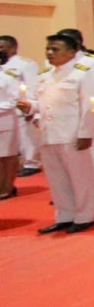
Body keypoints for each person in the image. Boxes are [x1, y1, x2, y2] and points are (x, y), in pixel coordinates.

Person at [21, 35, 94, 231]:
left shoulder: (82, 73)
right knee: (56, 178)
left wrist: (85, 133)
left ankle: (84, 216)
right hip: (49, 133)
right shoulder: (45, 75)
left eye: (55, 49)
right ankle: (64, 215)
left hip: (71, 133)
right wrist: (30, 107)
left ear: (72, 52)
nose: (50, 53)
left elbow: (89, 106)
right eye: (48, 49)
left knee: (80, 177)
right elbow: (43, 103)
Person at [58, 28, 94, 199]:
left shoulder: (92, 61)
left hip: (88, 110)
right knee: (67, 153)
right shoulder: (56, 62)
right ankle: (72, 187)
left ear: (77, 44)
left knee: (93, 150)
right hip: (64, 114)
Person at [1, 35, 42, 179]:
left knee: (27, 137)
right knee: (10, 144)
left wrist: (31, 106)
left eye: (2, 47)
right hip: (5, 110)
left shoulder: (25, 63)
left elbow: (31, 85)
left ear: (13, 48)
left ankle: (32, 163)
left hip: (20, 106)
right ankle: (17, 165)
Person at [0, 52, 23, 200]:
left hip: (5, 120)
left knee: (8, 155)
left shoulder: (8, 77)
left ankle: (8, 186)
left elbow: (14, 100)